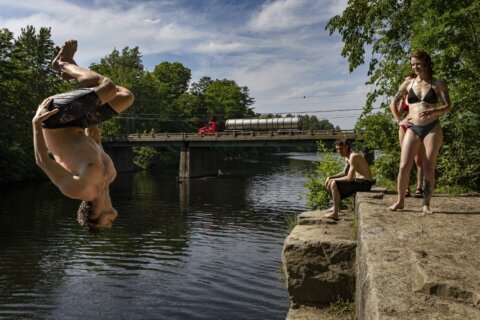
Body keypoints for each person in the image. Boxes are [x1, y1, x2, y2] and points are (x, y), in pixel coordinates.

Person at [32, 40, 134, 233]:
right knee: (126, 96)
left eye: (105, 226)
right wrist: (92, 114)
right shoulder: (110, 176)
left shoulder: (77, 190)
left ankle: (62, 64)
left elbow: (42, 161)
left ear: (93, 217)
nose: (110, 224)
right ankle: (72, 69)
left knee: (108, 88)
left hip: (54, 121)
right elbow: (94, 141)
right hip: (79, 123)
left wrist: (36, 124)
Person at [388, 51, 451, 215]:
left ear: (427, 63)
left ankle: (426, 204)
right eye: (413, 64)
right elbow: (393, 103)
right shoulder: (408, 84)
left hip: (432, 128)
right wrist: (399, 120)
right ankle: (400, 201)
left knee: (429, 167)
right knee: (403, 166)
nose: (415, 67)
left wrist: (434, 111)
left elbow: (448, 106)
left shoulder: (438, 83)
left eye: (418, 63)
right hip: (413, 128)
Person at [323, 140, 374, 220]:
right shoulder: (347, 157)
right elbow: (344, 173)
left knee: (333, 183)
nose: (338, 151)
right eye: (337, 149)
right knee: (331, 181)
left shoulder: (353, 156)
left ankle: (335, 213)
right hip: (359, 182)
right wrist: (330, 177)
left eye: (340, 149)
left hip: (365, 183)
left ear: (346, 147)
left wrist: (333, 180)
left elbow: (349, 178)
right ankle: (336, 207)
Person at [397, 97, 425, 198]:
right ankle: (406, 187)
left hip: (419, 126)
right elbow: (398, 113)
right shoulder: (405, 96)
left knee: (418, 160)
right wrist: (400, 121)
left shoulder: (422, 93)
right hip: (405, 126)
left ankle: (419, 188)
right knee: (405, 159)